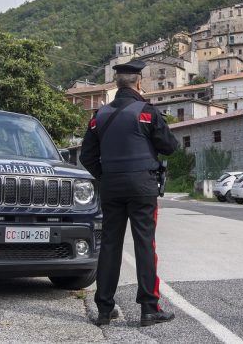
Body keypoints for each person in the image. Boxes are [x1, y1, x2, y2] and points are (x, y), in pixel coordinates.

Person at [80, 60, 179, 327]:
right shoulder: (146, 112)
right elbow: (170, 147)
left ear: (116, 84)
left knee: (110, 244)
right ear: (138, 83)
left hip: (111, 187)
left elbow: (86, 156)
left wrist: (107, 176)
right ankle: (149, 308)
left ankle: (104, 309)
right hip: (142, 186)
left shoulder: (98, 116)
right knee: (144, 243)